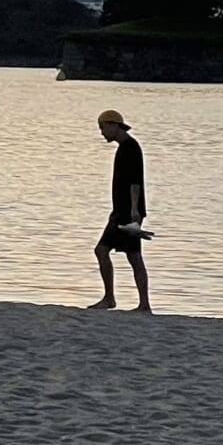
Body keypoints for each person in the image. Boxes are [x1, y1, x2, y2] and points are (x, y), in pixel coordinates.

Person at [88, 108, 150, 313]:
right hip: (124, 210)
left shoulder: (129, 148)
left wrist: (133, 212)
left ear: (114, 125)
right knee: (133, 256)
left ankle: (110, 298)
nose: (102, 133)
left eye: (103, 128)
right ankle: (143, 304)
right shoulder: (125, 147)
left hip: (126, 212)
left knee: (102, 250)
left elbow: (135, 183)